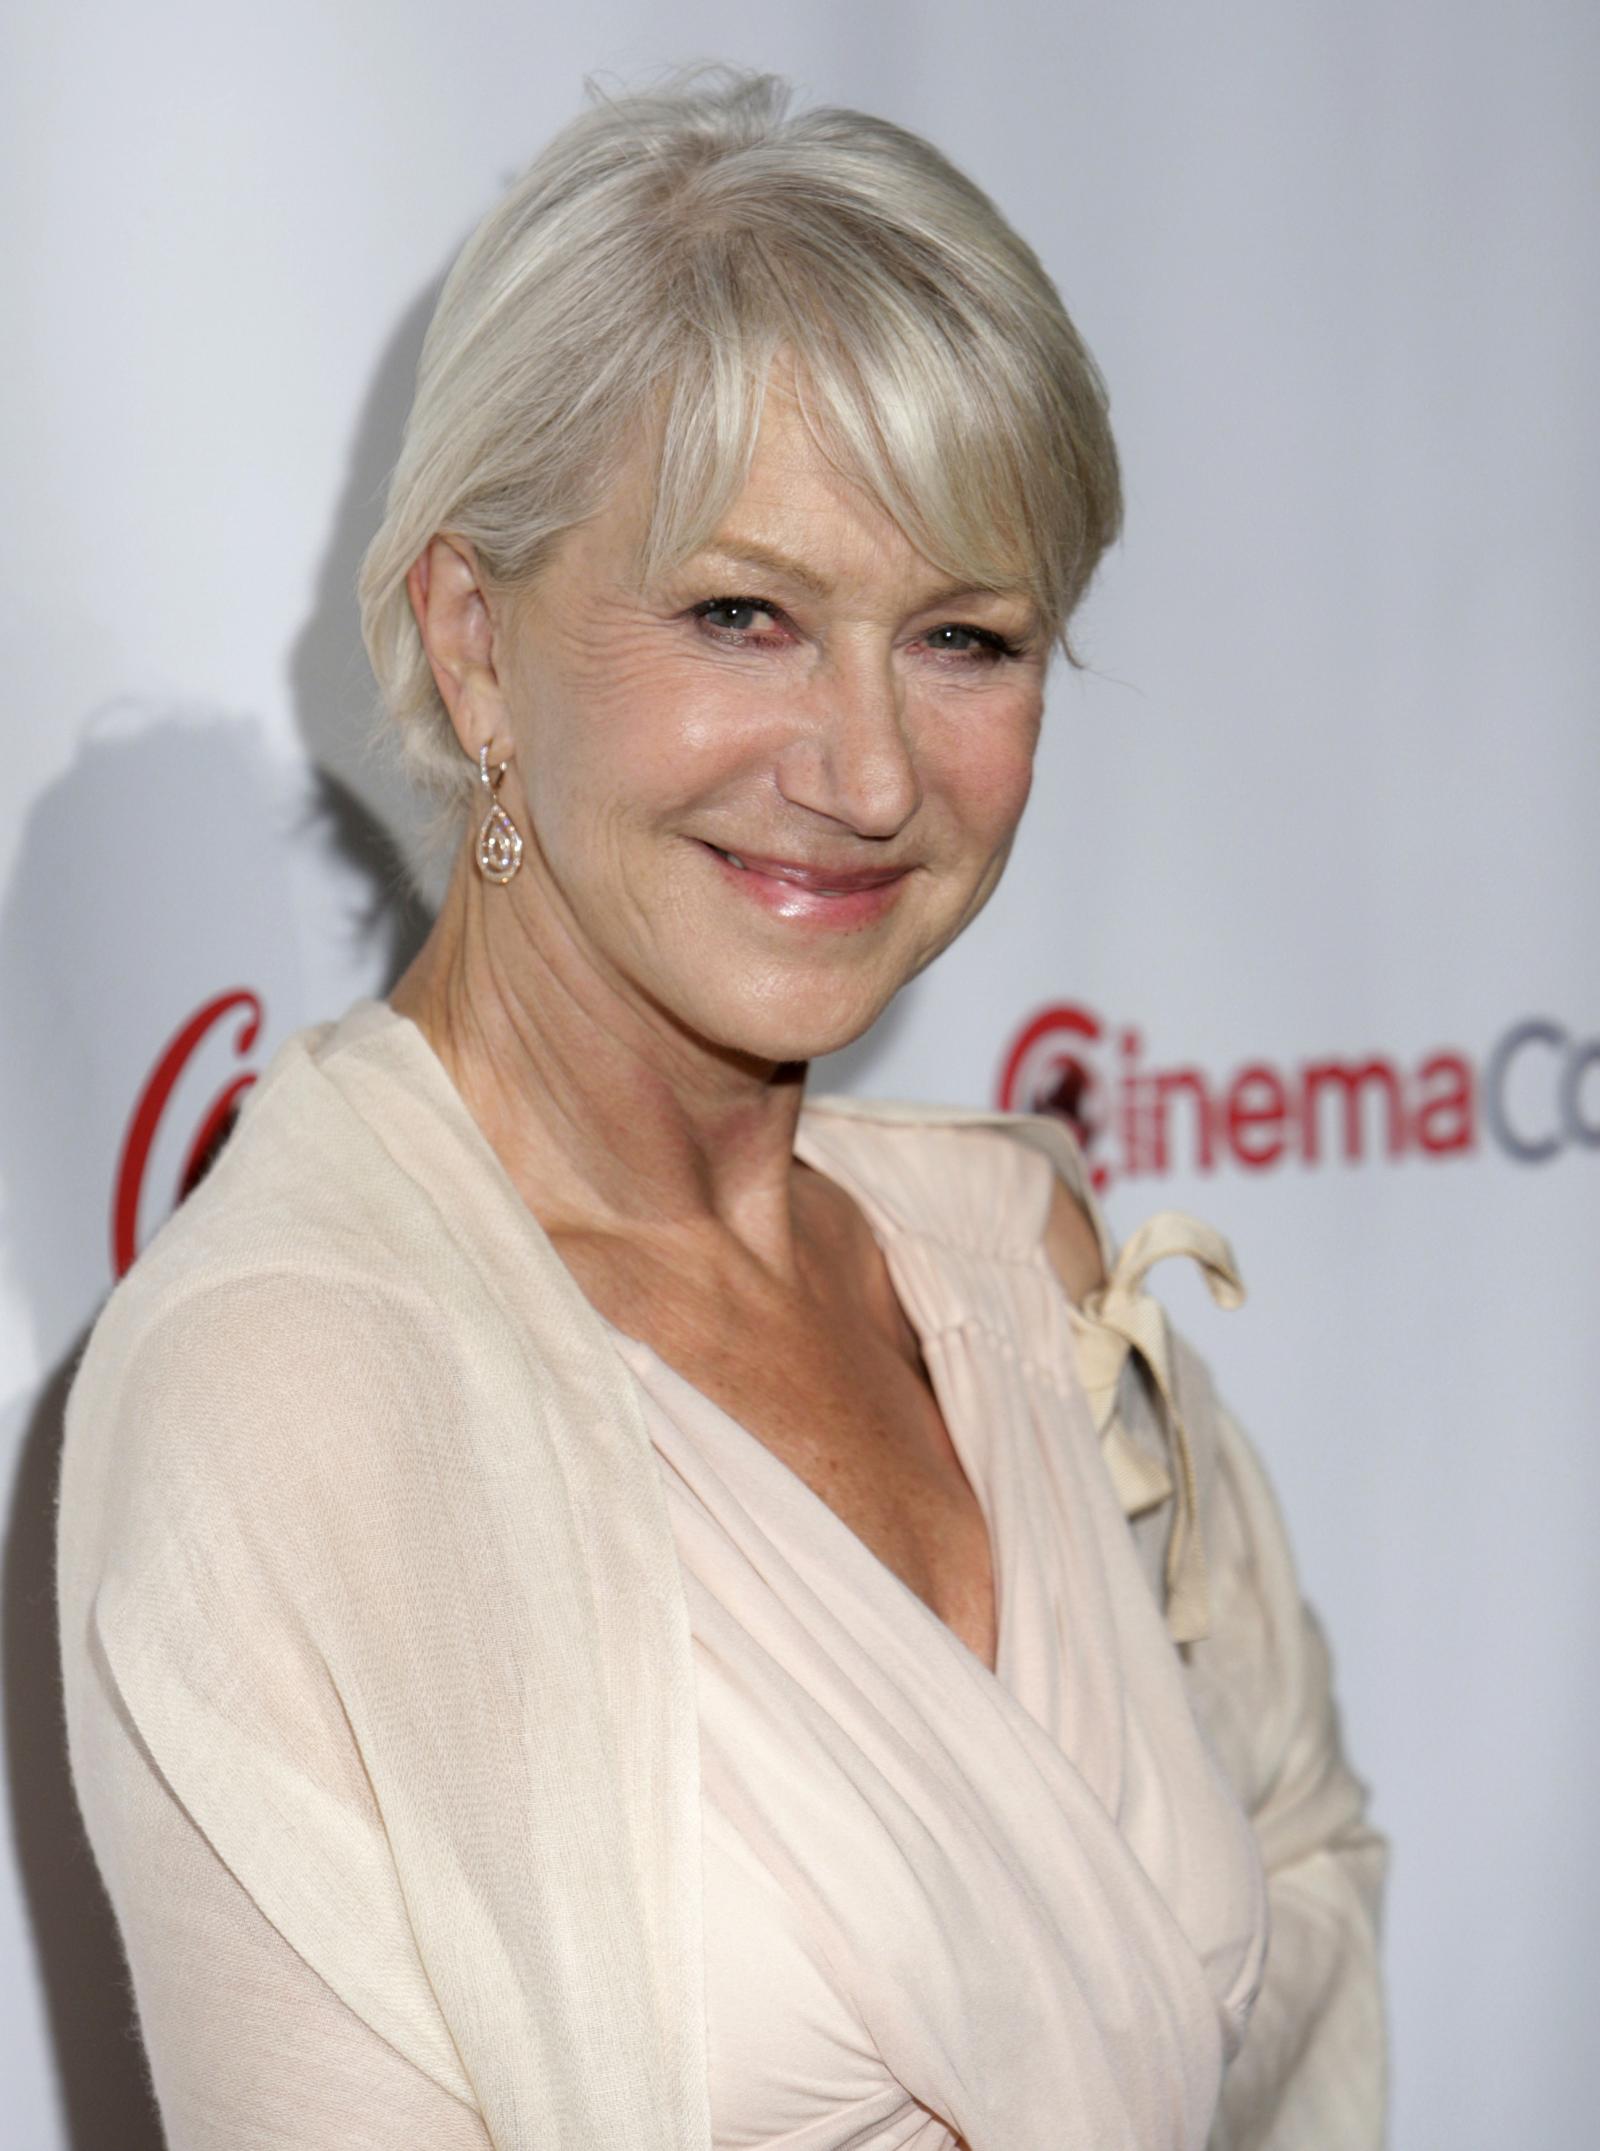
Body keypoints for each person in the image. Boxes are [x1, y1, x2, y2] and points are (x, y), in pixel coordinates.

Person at [55, 62, 1386, 2151]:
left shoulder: (1015, 1258)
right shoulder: (293, 1382)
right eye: (741, 615)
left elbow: (1299, 1869)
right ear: (473, 643)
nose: (867, 772)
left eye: (963, 637)